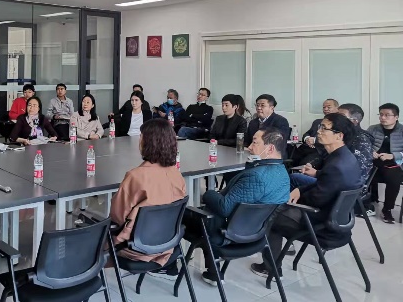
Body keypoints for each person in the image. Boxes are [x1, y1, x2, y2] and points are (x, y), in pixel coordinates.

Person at [251, 113, 362, 278]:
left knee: (270, 216)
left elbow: (317, 198)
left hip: (323, 226)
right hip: (340, 221)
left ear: (339, 135)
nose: (319, 131)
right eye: (320, 126)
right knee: (288, 193)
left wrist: (293, 199)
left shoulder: (336, 165)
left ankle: (271, 269)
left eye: (324, 128)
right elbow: (326, 183)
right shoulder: (344, 157)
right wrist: (302, 188)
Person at [183, 128, 289, 285]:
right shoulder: (283, 174)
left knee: (180, 215)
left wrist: (208, 193)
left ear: (270, 148)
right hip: (257, 233)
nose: (249, 147)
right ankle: (212, 272)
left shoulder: (256, 176)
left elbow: (224, 207)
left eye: (255, 142)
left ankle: (170, 267)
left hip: (229, 235)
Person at [109, 119, 186, 277]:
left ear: (148, 142)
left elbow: (117, 216)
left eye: (141, 136)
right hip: (168, 244)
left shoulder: (136, 176)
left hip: (135, 247)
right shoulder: (177, 175)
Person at [367, 103, 403, 224]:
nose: (383, 117)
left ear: (396, 117)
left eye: (387, 115)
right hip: (374, 162)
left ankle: (387, 209)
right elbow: (364, 144)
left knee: (394, 178)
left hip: (394, 163)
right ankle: (368, 204)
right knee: (362, 172)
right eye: (381, 114)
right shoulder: (373, 129)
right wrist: (371, 152)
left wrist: (393, 155)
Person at [291, 99, 339, 166]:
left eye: (329, 107)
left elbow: (333, 139)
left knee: (304, 165)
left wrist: (314, 140)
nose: (326, 109)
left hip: (320, 151)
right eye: (324, 107)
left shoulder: (338, 124)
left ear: (337, 108)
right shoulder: (317, 121)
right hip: (306, 148)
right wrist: (307, 139)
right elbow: (307, 133)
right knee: (289, 157)